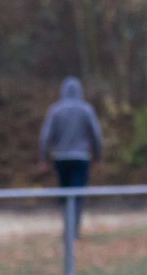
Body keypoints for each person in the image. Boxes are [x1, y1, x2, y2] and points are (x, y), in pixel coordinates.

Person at [38, 76, 103, 236]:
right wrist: (98, 155)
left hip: (61, 158)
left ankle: (68, 228)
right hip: (81, 158)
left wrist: (44, 157)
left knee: (65, 195)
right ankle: (74, 230)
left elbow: (46, 136)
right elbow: (96, 134)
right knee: (77, 194)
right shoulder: (86, 109)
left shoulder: (56, 110)